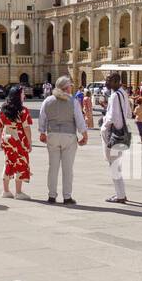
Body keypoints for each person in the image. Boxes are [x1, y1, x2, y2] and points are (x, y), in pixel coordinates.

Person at [38, 75, 88, 204]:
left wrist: (42, 132)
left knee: (53, 167)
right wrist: (84, 134)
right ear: (66, 88)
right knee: (67, 168)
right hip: (69, 135)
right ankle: (67, 196)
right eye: (70, 86)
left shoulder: (48, 100)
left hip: (52, 134)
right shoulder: (73, 101)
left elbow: (42, 117)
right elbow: (79, 119)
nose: (71, 88)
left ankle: (52, 195)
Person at [0, 86, 34, 200]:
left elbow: (0, 126)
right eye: (23, 93)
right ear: (18, 96)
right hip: (18, 139)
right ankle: (18, 192)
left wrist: (0, 139)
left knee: (8, 161)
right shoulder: (23, 110)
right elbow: (26, 128)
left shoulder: (3, 109)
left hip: (6, 138)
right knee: (20, 162)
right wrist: (29, 142)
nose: (24, 95)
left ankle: (6, 190)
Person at [100, 72, 130, 204]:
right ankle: (121, 193)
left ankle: (120, 195)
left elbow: (112, 117)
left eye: (109, 80)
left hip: (114, 134)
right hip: (123, 132)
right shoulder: (123, 93)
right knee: (116, 165)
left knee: (113, 165)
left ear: (116, 81)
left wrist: (104, 124)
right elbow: (128, 113)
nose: (107, 82)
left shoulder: (113, 96)